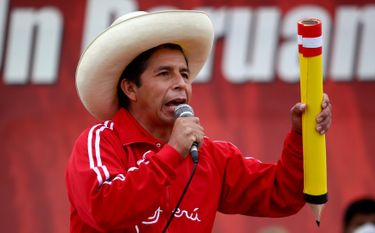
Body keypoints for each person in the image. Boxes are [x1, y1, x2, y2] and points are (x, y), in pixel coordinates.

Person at [65, 10, 332, 233]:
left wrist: (301, 135)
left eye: (184, 73)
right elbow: (103, 209)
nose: (181, 84)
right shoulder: (100, 141)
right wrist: (171, 154)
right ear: (130, 89)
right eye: (164, 74)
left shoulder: (210, 156)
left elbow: (282, 195)